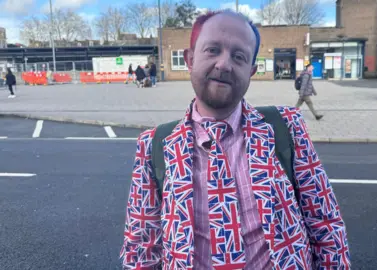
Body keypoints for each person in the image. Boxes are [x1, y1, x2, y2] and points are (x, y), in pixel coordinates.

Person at [120, 10, 350, 270]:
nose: (224, 64)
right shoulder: (155, 145)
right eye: (212, 50)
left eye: (238, 56)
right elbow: (142, 248)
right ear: (190, 59)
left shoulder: (286, 126)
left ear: (251, 70)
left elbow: (326, 227)